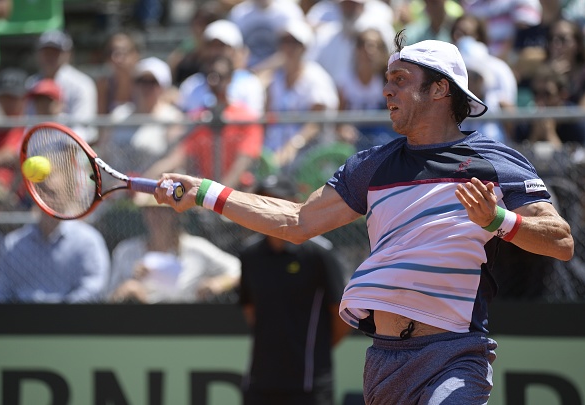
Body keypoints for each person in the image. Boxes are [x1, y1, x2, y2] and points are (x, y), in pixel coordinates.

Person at [154, 31, 574, 404]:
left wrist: (498, 220)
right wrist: (205, 192)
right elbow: (297, 221)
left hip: (454, 353)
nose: (386, 90)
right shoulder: (370, 167)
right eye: (387, 80)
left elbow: (561, 240)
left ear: (439, 89)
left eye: (400, 80)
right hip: (384, 361)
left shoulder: (494, 161)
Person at [239, 174, 351, 405]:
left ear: (296, 202)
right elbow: (250, 310)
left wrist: (314, 350)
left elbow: (341, 314)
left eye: (275, 200)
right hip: (259, 384)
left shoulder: (319, 254)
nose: (267, 207)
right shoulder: (249, 255)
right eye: (262, 200)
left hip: (309, 386)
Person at [145, 55, 263, 191]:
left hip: (238, 192)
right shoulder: (200, 118)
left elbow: (241, 164)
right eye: (210, 76)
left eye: (220, 76)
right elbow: (177, 158)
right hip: (208, 193)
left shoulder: (246, 118)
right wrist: (145, 180)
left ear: (230, 78)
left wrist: (218, 195)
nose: (214, 81)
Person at [109, 193, 241, 304]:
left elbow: (239, 268)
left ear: (175, 214)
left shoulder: (196, 248)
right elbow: (108, 296)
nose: (156, 216)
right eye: (150, 210)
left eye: (162, 210)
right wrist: (128, 290)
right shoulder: (126, 252)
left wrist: (218, 283)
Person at [264, 19, 338, 170]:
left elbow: (315, 122)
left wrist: (292, 146)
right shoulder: (275, 78)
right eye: (285, 41)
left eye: (294, 42)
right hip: (275, 151)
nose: (288, 47)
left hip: (309, 153)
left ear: (304, 47)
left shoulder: (316, 77)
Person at [0, 207, 110, 303]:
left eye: (53, 193)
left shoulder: (88, 241)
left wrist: (61, 314)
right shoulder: (12, 243)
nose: (46, 199)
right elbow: (2, 292)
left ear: (67, 196)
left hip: (73, 320)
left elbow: (94, 287)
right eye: (41, 191)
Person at [98, 56, 185, 176]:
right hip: (116, 184)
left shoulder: (172, 117)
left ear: (163, 87)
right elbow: (103, 153)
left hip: (153, 185)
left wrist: (143, 181)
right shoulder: (118, 114)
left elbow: (174, 159)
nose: (146, 87)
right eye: (141, 81)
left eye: (152, 82)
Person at [176, 19, 265, 116]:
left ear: (235, 50)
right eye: (211, 46)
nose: (216, 52)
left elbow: (253, 120)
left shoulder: (250, 84)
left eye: (222, 46)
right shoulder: (191, 85)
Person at [28, 29, 98, 144]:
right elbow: (28, 122)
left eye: (55, 52)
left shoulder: (82, 84)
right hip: (37, 147)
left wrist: (63, 148)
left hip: (73, 150)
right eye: (46, 51)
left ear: (68, 54)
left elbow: (83, 128)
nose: (50, 56)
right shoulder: (31, 83)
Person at [0, 68, 28, 207]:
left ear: (24, 98)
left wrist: (5, 157)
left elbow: (14, 157)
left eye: (13, 97)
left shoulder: (29, 127)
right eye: (4, 97)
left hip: (16, 196)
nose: (8, 103)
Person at [95, 30, 144, 115]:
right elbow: (101, 119)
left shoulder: (148, 82)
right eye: (111, 52)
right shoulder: (103, 87)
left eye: (122, 52)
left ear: (136, 55)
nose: (115, 58)